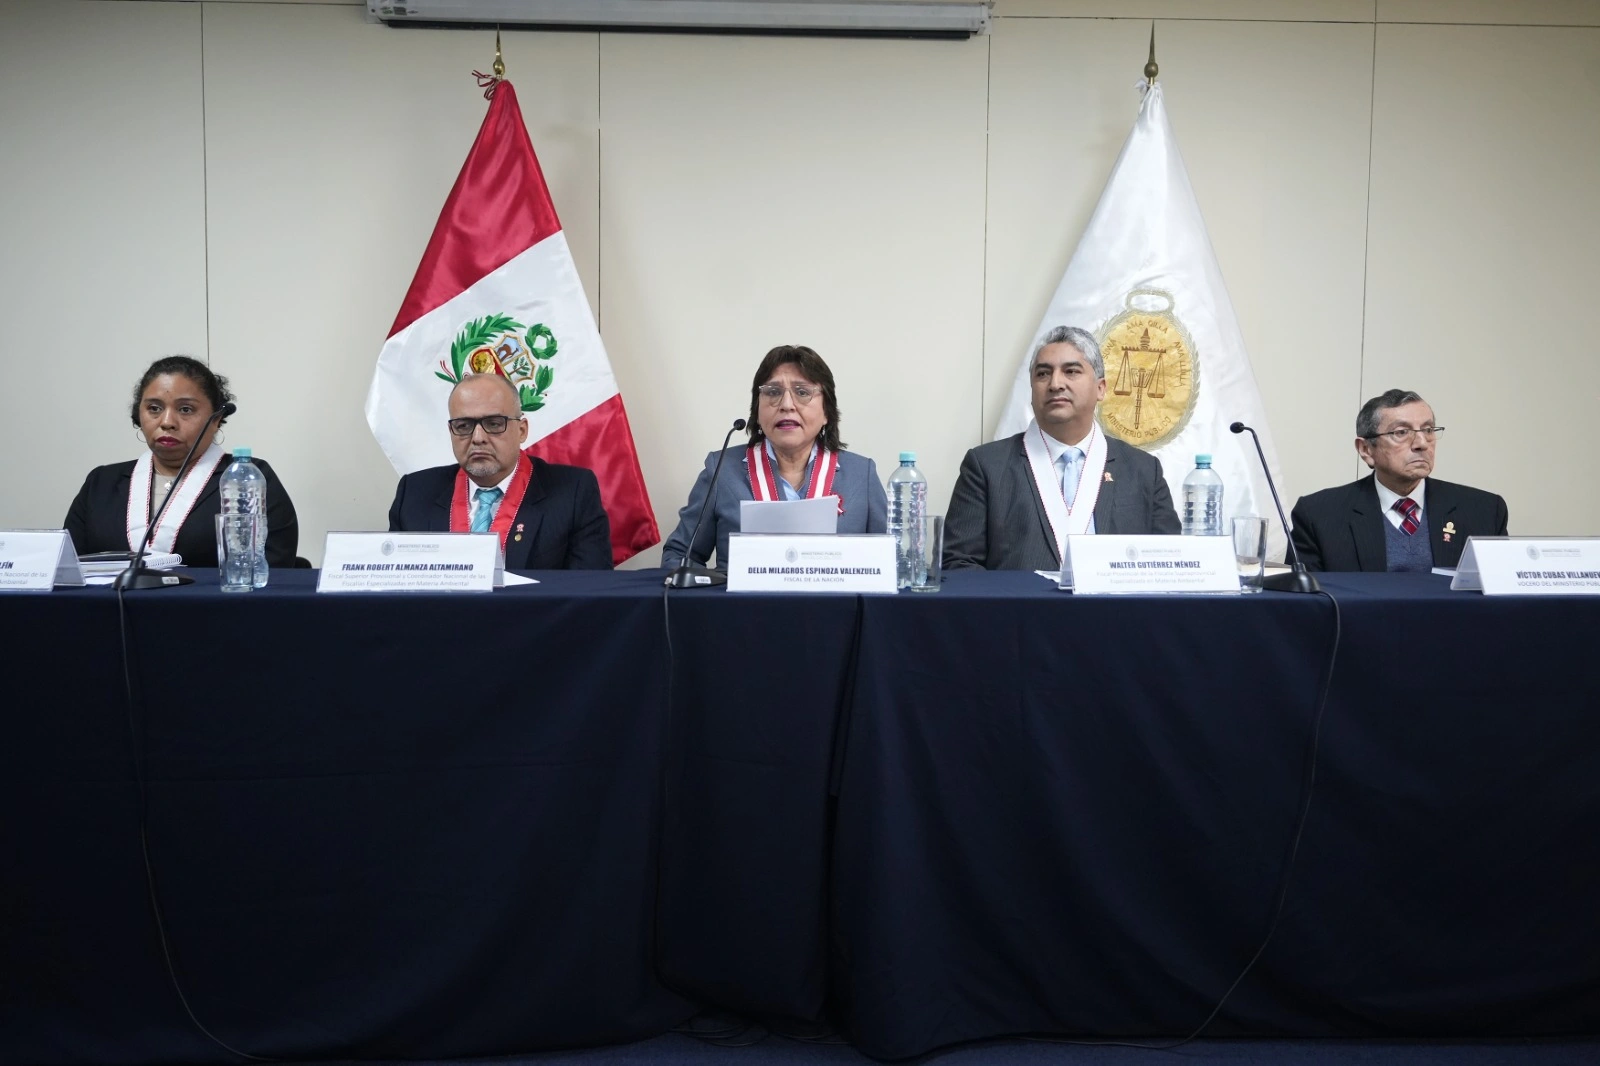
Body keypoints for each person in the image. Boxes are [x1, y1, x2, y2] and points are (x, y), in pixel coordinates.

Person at [944, 325, 1180, 572]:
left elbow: (1170, 565)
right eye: (1043, 374)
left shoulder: (1143, 470)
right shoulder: (986, 467)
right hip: (1018, 600)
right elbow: (959, 565)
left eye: (1071, 371)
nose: (1055, 383)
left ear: (1100, 388)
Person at [661, 344, 888, 569]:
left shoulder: (862, 475)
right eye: (773, 392)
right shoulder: (721, 470)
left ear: (827, 412)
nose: (787, 405)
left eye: (802, 392)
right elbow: (678, 555)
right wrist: (714, 588)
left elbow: (889, 560)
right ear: (757, 410)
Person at [64, 356, 299, 566]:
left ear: (216, 418)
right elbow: (68, 569)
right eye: (154, 408)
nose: (167, 422)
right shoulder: (101, 483)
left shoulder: (246, 478)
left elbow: (274, 567)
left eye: (186, 409)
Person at [388, 373, 612, 570]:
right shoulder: (414, 494)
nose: (478, 438)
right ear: (451, 431)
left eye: (494, 424)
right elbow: (395, 589)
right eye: (463, 426)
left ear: (522, 430)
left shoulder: (573, 493)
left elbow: (589, 591)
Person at [1290, 389, 1507, 572]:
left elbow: (1504, 597)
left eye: (1428, 430)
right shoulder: (1319, 516)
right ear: (1366, 449)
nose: (1422, 443)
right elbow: (1303, 603)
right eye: (1402, 432)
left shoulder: (1485, 511)